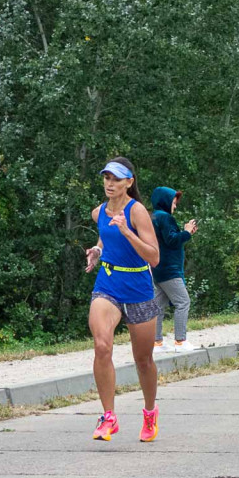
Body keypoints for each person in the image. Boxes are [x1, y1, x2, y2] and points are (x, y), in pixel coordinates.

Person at [85, 158, 162, 442]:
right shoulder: (99, 212)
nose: (110, 183)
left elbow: (154, 256)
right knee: (102, 345)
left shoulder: (137, 211)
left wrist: (127, 231)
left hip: (139, 287)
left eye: (116, 179)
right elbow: (106, 236)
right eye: (106, 178)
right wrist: (97, 249)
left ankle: (150, 412)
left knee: (143, 359)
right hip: (108, 284)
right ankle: (109, 417)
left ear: (129, 182)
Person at [150, 187, 197, 351]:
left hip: (157, 268)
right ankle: (180, 341)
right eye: (173, 202)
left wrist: (185, 232)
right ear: (165, 201)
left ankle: (156, 342)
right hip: (170, 269)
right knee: (183, 302)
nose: (175, 206)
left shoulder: (153, 217)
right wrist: (187, 232)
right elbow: (172, 240)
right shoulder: (165, 218)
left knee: (158, 305)